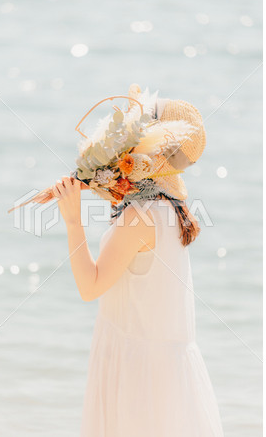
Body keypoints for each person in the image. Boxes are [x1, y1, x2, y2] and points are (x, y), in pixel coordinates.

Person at [52, 85, 225, 436]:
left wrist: (73, 221)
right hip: (162, 365)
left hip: (137, 370)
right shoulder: (170, 210)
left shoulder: (140, 217)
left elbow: (90, 287)